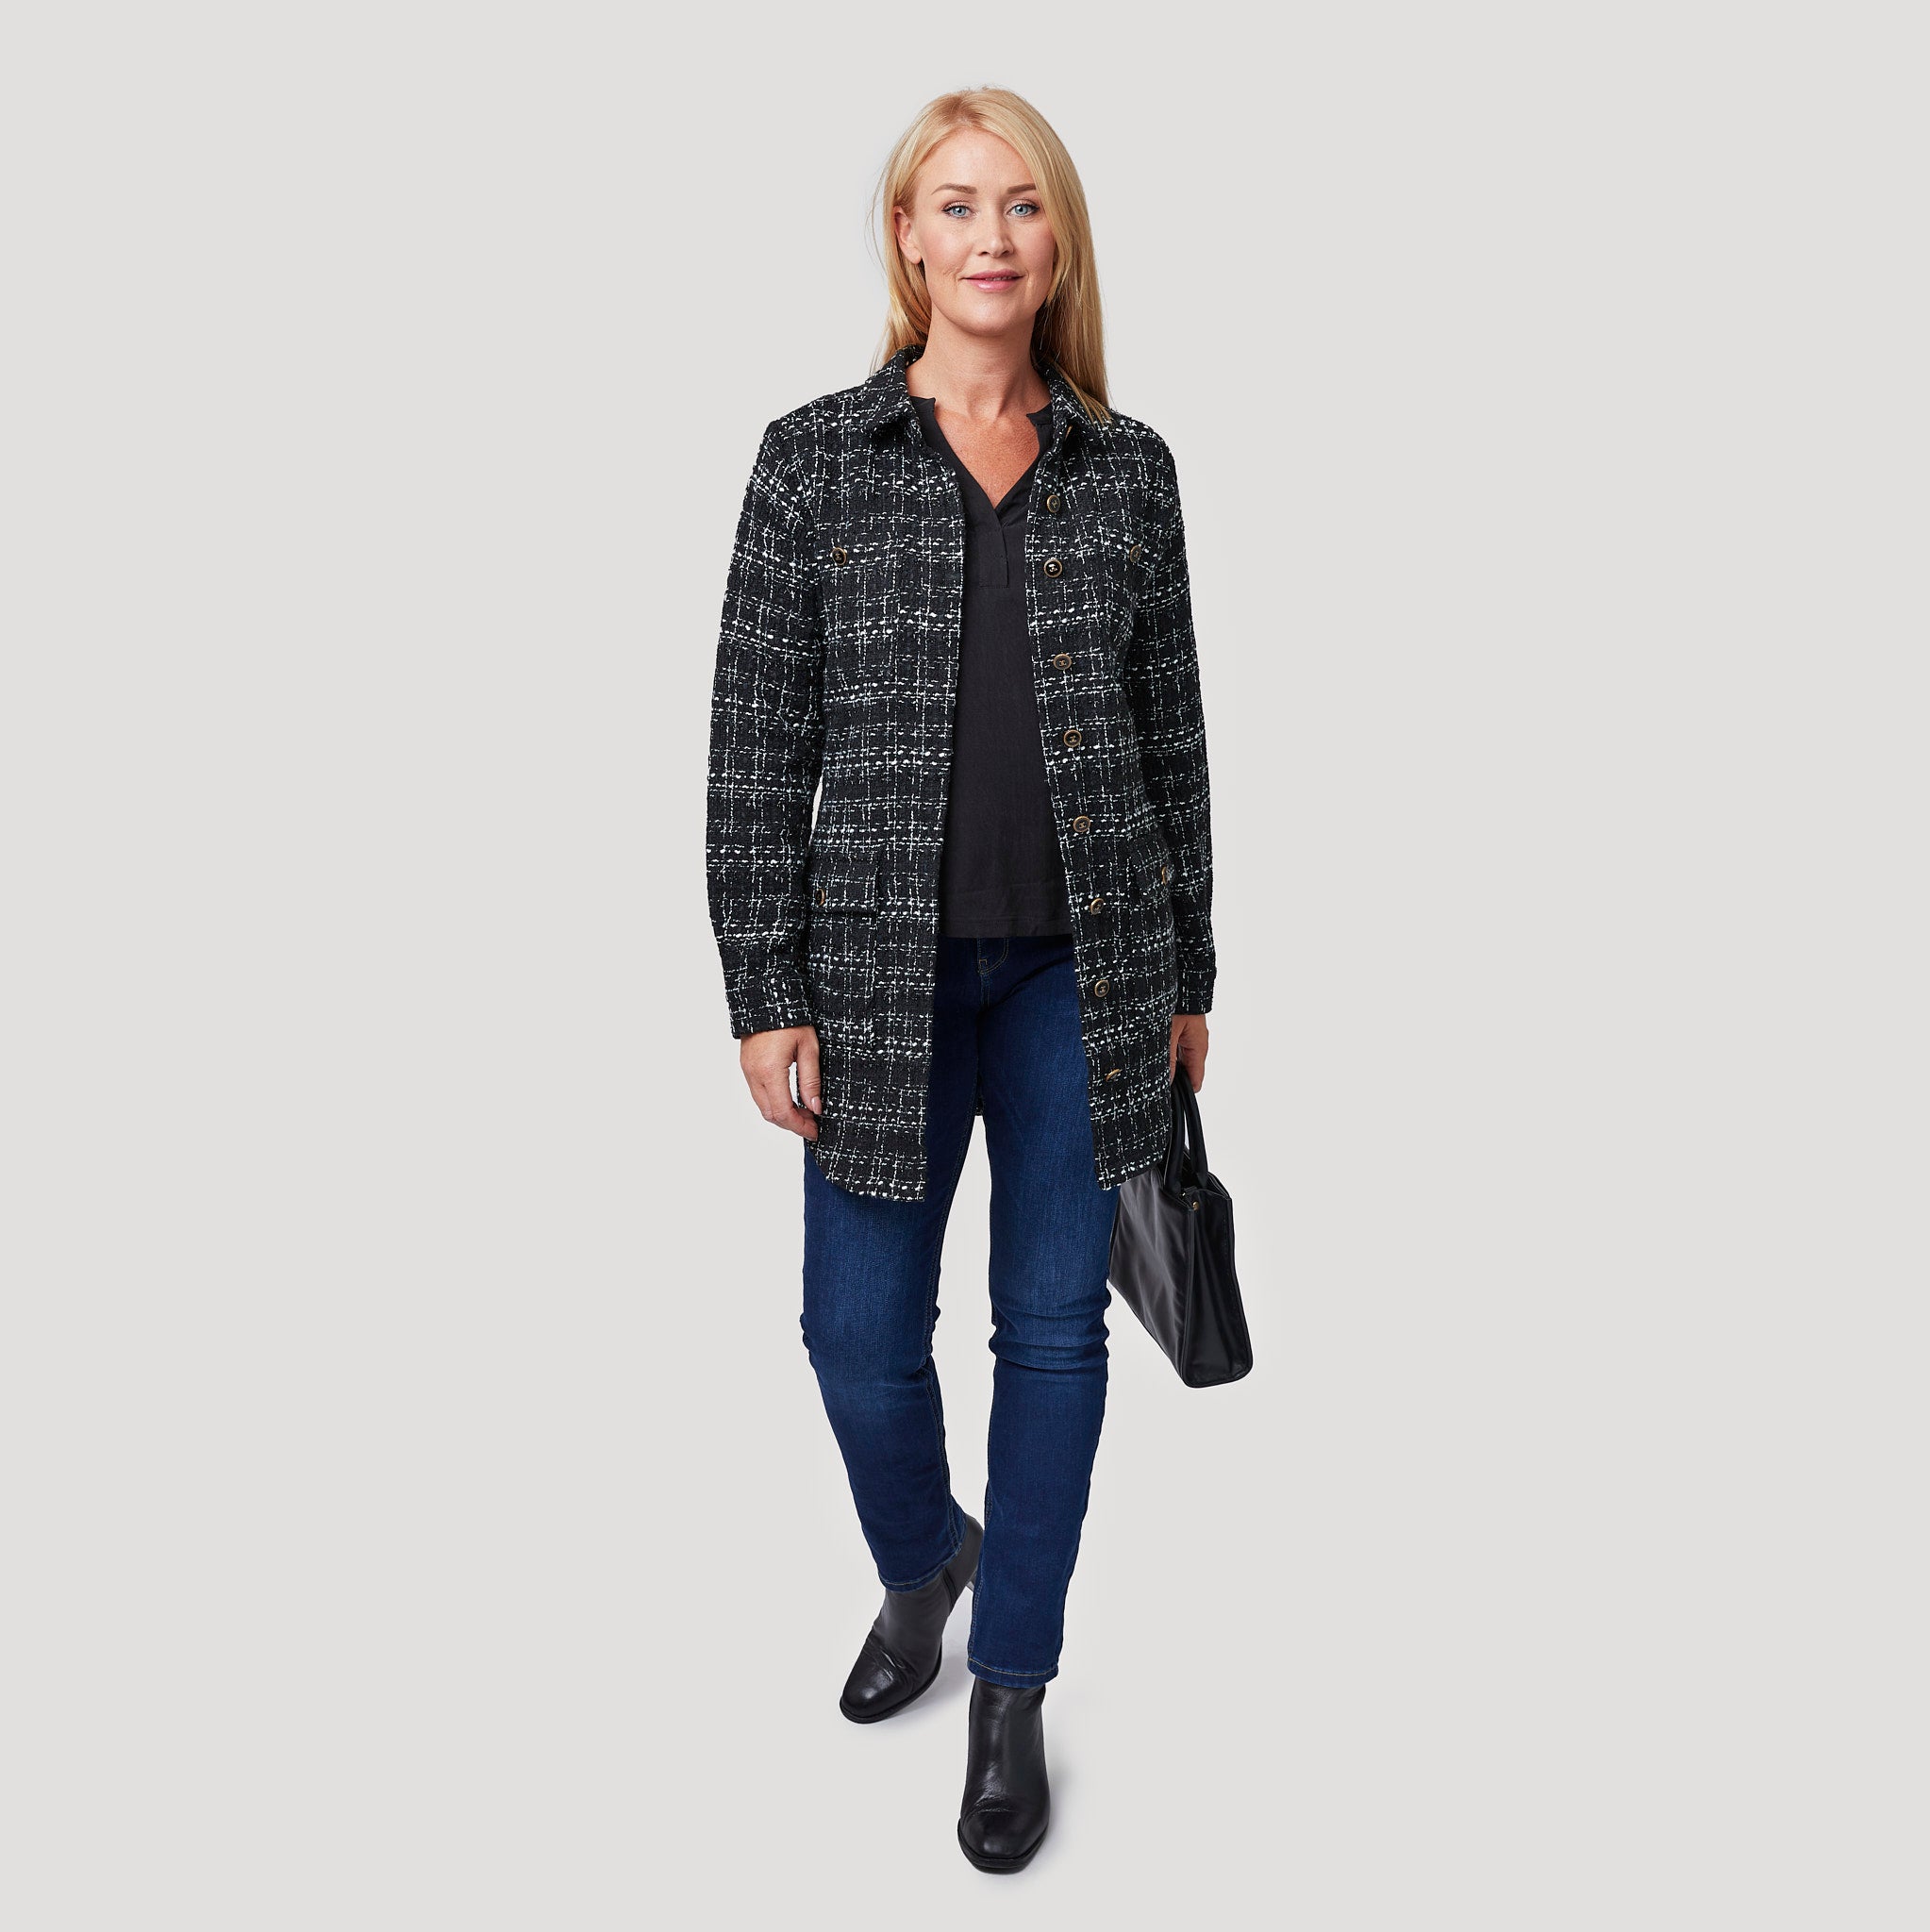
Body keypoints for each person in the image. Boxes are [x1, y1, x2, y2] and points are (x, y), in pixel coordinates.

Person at [704, 86, 1217, 1874]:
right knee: (855, 1338)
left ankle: (1011, 1688)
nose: (991, 236)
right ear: (908, 241)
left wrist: (1191, 971)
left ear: (1057, 244)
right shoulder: (814, 462)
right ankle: (925, 1559)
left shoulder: (1128, 469)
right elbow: (755, 747)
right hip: (874, 980)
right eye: (956, 204)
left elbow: (1174, 740)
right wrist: (763, 987)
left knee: (1056, 1336)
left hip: (1089, 976)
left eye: (1023, 205)